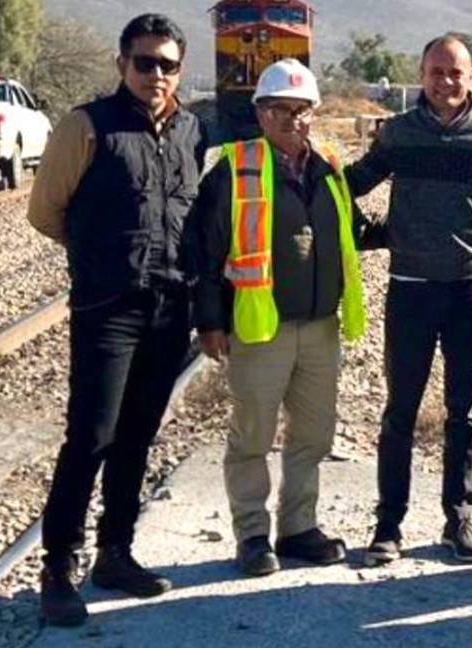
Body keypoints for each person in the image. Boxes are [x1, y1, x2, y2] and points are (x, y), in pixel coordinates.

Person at [26, 13, 205, 627]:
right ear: (121, 63)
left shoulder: (190, 130)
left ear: (180, 70)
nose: (156, 74)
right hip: (109, 308)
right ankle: (58, 568)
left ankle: (115, 553)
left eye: (168, 64)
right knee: (91, 436)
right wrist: (100, 257)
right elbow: (47, 212)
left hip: (169, 306)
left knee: (137, 437)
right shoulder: (87, 126)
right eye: (145, 62)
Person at [192, 59, 376, 577]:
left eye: (301, 109)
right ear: (260, 112)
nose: (292, 119)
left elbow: (354, 231)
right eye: (279, 109)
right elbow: (206, 252)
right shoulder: (234, 168)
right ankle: (252, 535)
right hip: (259, 326)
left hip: (320, 326)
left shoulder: (329, 166)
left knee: (313, 435)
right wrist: (209, 321)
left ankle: (297, 528)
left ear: (314, 112)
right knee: (252, 435)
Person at [346, 35, 472, 565]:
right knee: (400, 411)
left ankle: (458, 519)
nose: (445, 82)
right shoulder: (397, 135)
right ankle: (388, 525)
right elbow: (349, 185)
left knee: (463, 413)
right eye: (436, 72)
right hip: (411, 292)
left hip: (471, 292)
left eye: (455, 72)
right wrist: (374, 233)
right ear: (421, 75)